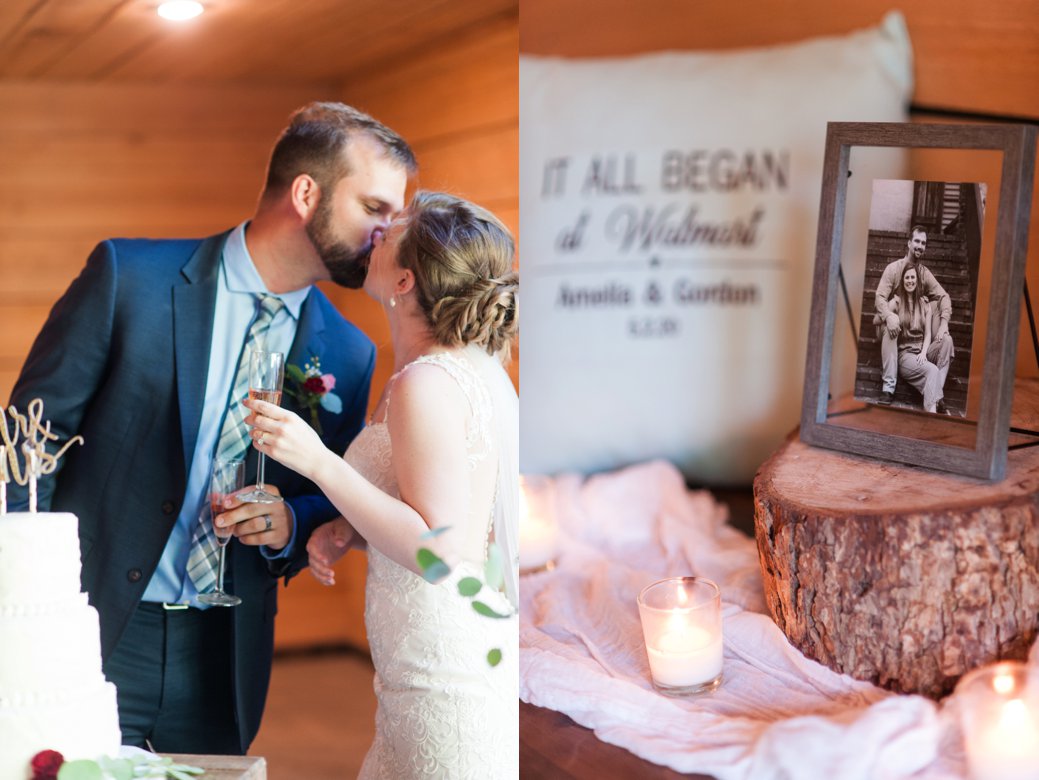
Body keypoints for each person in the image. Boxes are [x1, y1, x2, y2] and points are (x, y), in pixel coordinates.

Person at [6, 102, 416, 754]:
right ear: (307, 194)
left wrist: (289, 522)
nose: (387, 231)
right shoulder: (128, 279)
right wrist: (25, 605)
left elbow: (333, 498)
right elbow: (29, 445)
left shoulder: (348, 352)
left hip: (224, 659)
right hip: (91, 624)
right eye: (374, 207)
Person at [243, 190, 519, 778]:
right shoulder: (436, 374)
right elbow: (445, 516)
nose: (376, 235)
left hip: (444, 675)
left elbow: (444, 550)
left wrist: (319, 462)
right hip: (412, 669)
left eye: (391, 232)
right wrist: (351, 531)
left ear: (404, 282)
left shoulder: (429, 383)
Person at [873, 224, 954, 411]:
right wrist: (888, 315)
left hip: (915, 334)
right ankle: (889, 385)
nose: (919, 246)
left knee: (947, 340)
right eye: (916, 241)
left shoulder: (924, 273)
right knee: (890, 325)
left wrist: (943, 324)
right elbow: (879, 298)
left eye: (923, 243)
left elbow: (944, 297)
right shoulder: (893, 269)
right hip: (894, 330)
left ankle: (936, 393)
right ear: (909, 243)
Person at [886, 265, 946, 413]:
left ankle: (935, 400)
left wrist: (924, 352)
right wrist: (889, 317)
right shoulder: (897, 302)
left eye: (913, 277)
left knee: (947, 342)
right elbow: (877, 318)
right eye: (907, 277)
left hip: (922, 352)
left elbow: (927, 335)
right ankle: (932, 411)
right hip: (905, 355)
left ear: (917, 281)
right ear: (903, 280)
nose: (910, 281)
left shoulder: (925, 304)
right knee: (932, 370)